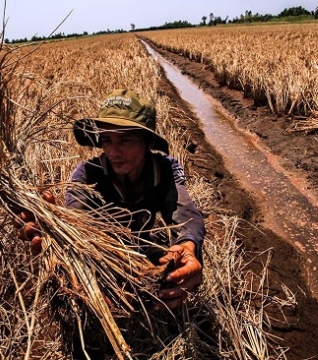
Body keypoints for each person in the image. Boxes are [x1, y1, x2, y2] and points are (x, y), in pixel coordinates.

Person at [19, 89, 205, 310]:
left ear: (147, 142)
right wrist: (57, 227)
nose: (114, 151)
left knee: (177, 264)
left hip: (143, 241)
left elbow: (185, 211)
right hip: (104, 248)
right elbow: (76, 217)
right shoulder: (87, 174)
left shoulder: (164, 168)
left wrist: (187, 244)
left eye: (125, 140)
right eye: (106, 139)